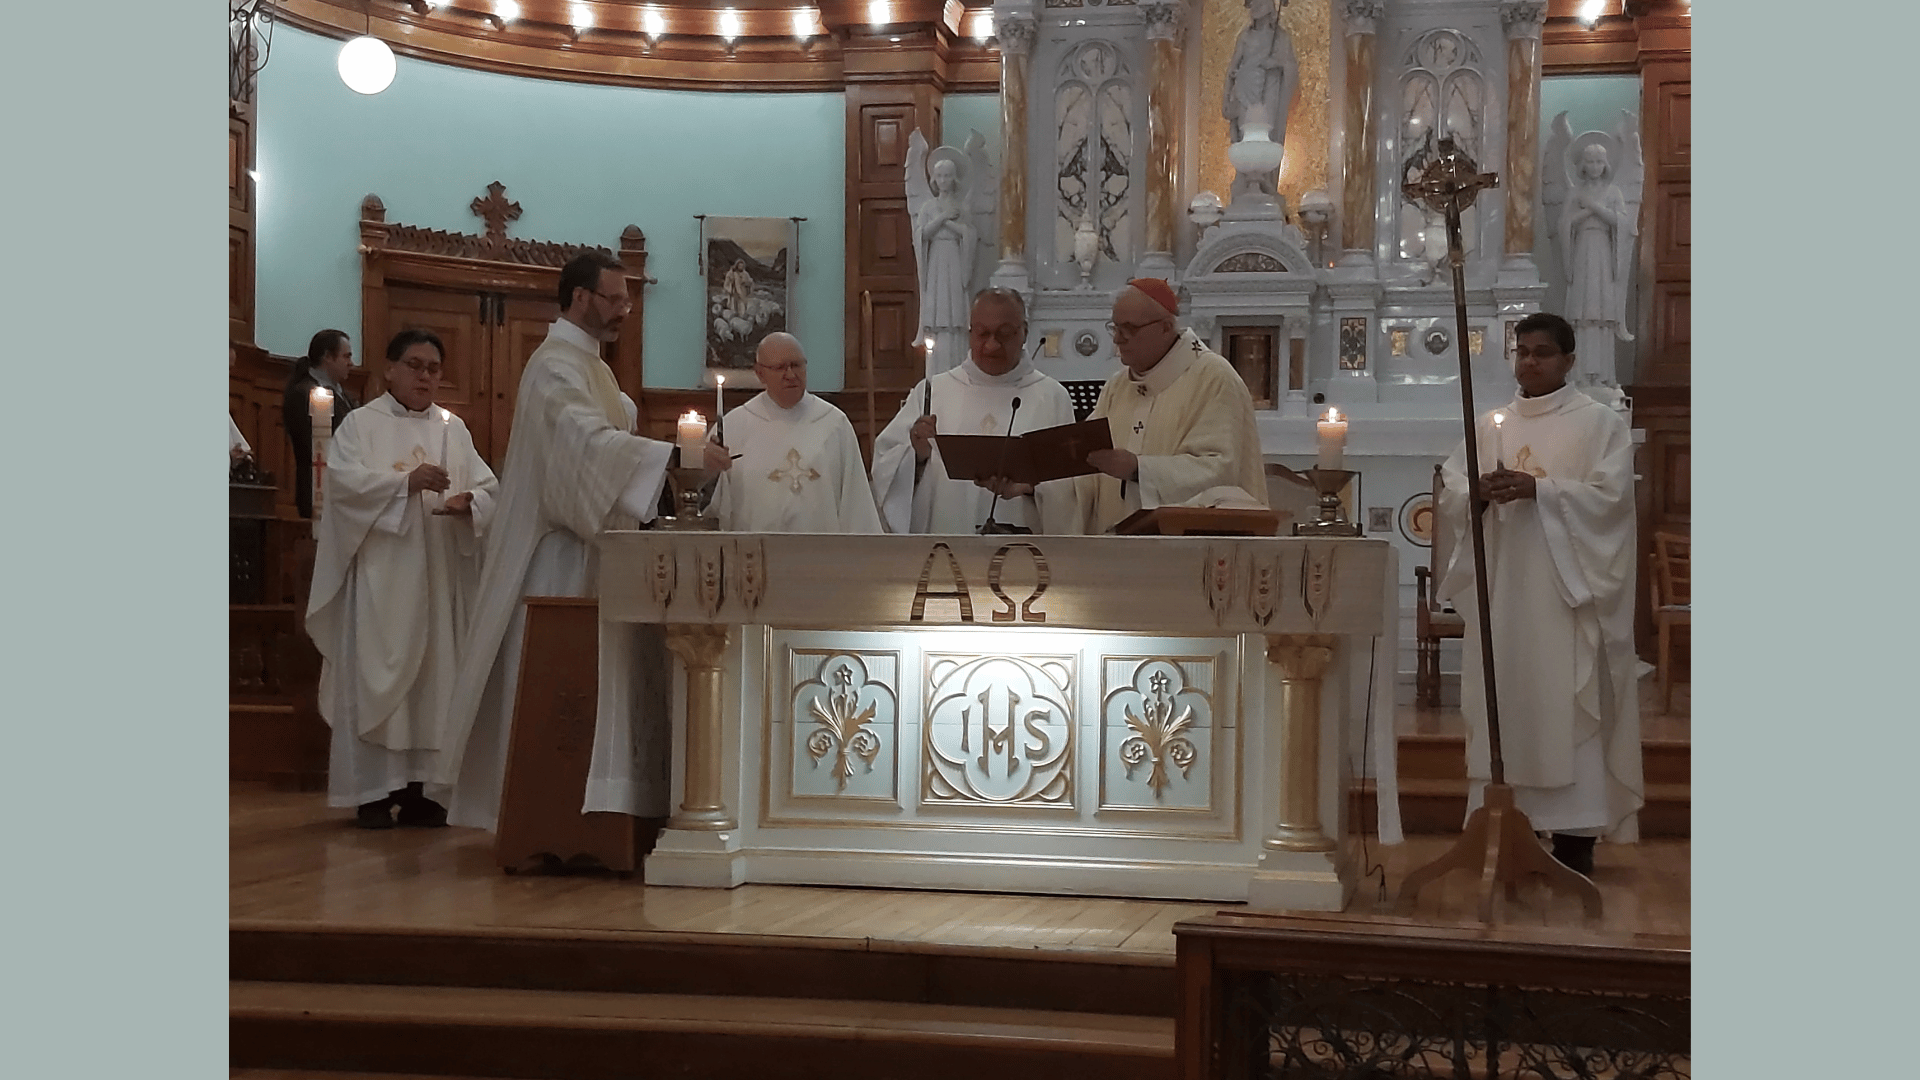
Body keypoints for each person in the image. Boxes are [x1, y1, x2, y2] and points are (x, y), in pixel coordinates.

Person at [433, 251, 678, 832]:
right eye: (614, 297)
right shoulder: (554, 366)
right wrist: (670, 457)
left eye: (627, 297)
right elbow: (580, 445)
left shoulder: (593, 365)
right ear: (578, 298)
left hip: (593, 549)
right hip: (557, 555)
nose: (625, 308)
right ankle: (542, 809)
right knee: (555, 677)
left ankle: (594, 810)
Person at [1434, 312, 1642, 876]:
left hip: (1564, 595)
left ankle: (1575, 838)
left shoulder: (1599, 424)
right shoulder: (1489, 425)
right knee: (1505, 696)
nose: (1529, 362)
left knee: (1564, 703)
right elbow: (1451, 489)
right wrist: (1475, 495)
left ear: (1569, 360)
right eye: (1522, 352)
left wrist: (1541, 491)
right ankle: (1501, 826)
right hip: (1503, 591)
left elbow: (1612, 500)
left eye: (1543, 353)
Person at [306, 329, 499, 829]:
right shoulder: (359, 426)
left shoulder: (453, 429)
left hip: (437, 576)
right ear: (389, 369)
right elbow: (343, 487)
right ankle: (373, 792)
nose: (425, 376)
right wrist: (403, 484)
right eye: (415, 365)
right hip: (380, 579)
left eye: (434, 368)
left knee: (436, 680)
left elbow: (488, 488)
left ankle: (424, 791)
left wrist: (469, 505)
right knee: (376, 678)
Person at [1062, 279, 1268, 535]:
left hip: (1185, 553)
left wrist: (1139, 469)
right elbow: (1089, 472)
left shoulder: (1214, 378)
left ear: (1165, 327)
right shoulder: (1117, 386)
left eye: (1129, 329)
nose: (1117, 339)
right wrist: (1036, 489)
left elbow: (1221, 472)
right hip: (1116, 552)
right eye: (1114, 327)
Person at [869, 288, 1077, 534]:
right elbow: (885, 468)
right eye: (983, 334)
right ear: (970, 333)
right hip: (947, 549)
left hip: (1026, 553)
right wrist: (917, 456)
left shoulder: (1052, 397)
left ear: (1024, 334)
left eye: (1004, 334)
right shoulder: (932, 392)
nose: (991, 345)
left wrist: (1030, 487)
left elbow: (1073, 488)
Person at [705, 333, 883, 534]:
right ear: (760, 374)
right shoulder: (734, 425)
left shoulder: (834, 423)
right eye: (780, 367)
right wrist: (706, 469)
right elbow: (711, 502)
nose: (790, 375)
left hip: (821, 554)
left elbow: (855, 499)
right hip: (753, 553)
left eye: (797, 365)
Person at [1558, 141, 1635, 386]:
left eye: (1599, 161)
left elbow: (1621, 223)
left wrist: (1593, 207)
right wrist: (1588, 211)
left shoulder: (1614, 193)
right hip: (1582, 251)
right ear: (1583, 164)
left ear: (1606, 164)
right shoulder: (1575, 192)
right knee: (1583, 312)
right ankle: (1579, 376)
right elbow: (1565, 225)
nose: (1594, 167)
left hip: (1603, 252)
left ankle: (1604, 376)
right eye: (1590, 161)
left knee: (1602, 312)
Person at [283, 329, 360, 519]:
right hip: (318, 486)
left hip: (345, 484)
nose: (351, 363)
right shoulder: (303, 394)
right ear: (327, 357)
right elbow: (311, 444)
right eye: (346, 356)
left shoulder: (345, 395)